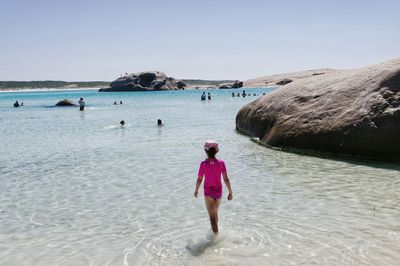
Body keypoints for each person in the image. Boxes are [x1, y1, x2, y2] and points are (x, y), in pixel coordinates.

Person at [194, 140, 233, 233]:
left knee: (212, 218)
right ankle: (216, 231)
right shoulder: (221, 163)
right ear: (217, 151)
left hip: (208, 193)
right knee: (215, 213)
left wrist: (196, 190)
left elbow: (199, 179)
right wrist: (230, 192)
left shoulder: (203, 164)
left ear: (205, 151)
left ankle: (215, 239)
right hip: (218, 192)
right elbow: (226, 179)